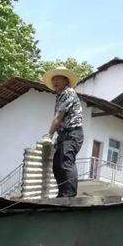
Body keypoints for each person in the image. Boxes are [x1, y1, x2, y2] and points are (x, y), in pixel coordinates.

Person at [42, 66, 83, 198]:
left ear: (66, 81)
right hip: (64, 135)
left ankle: (69, 195)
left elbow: (58, 117)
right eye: (53, 79)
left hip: (73, 134)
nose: (55, 81)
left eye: (58, 79)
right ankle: (62, 194)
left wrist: (49, 135)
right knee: (57, 165)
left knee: (66, 162)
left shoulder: (68, 92)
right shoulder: (59, 96)